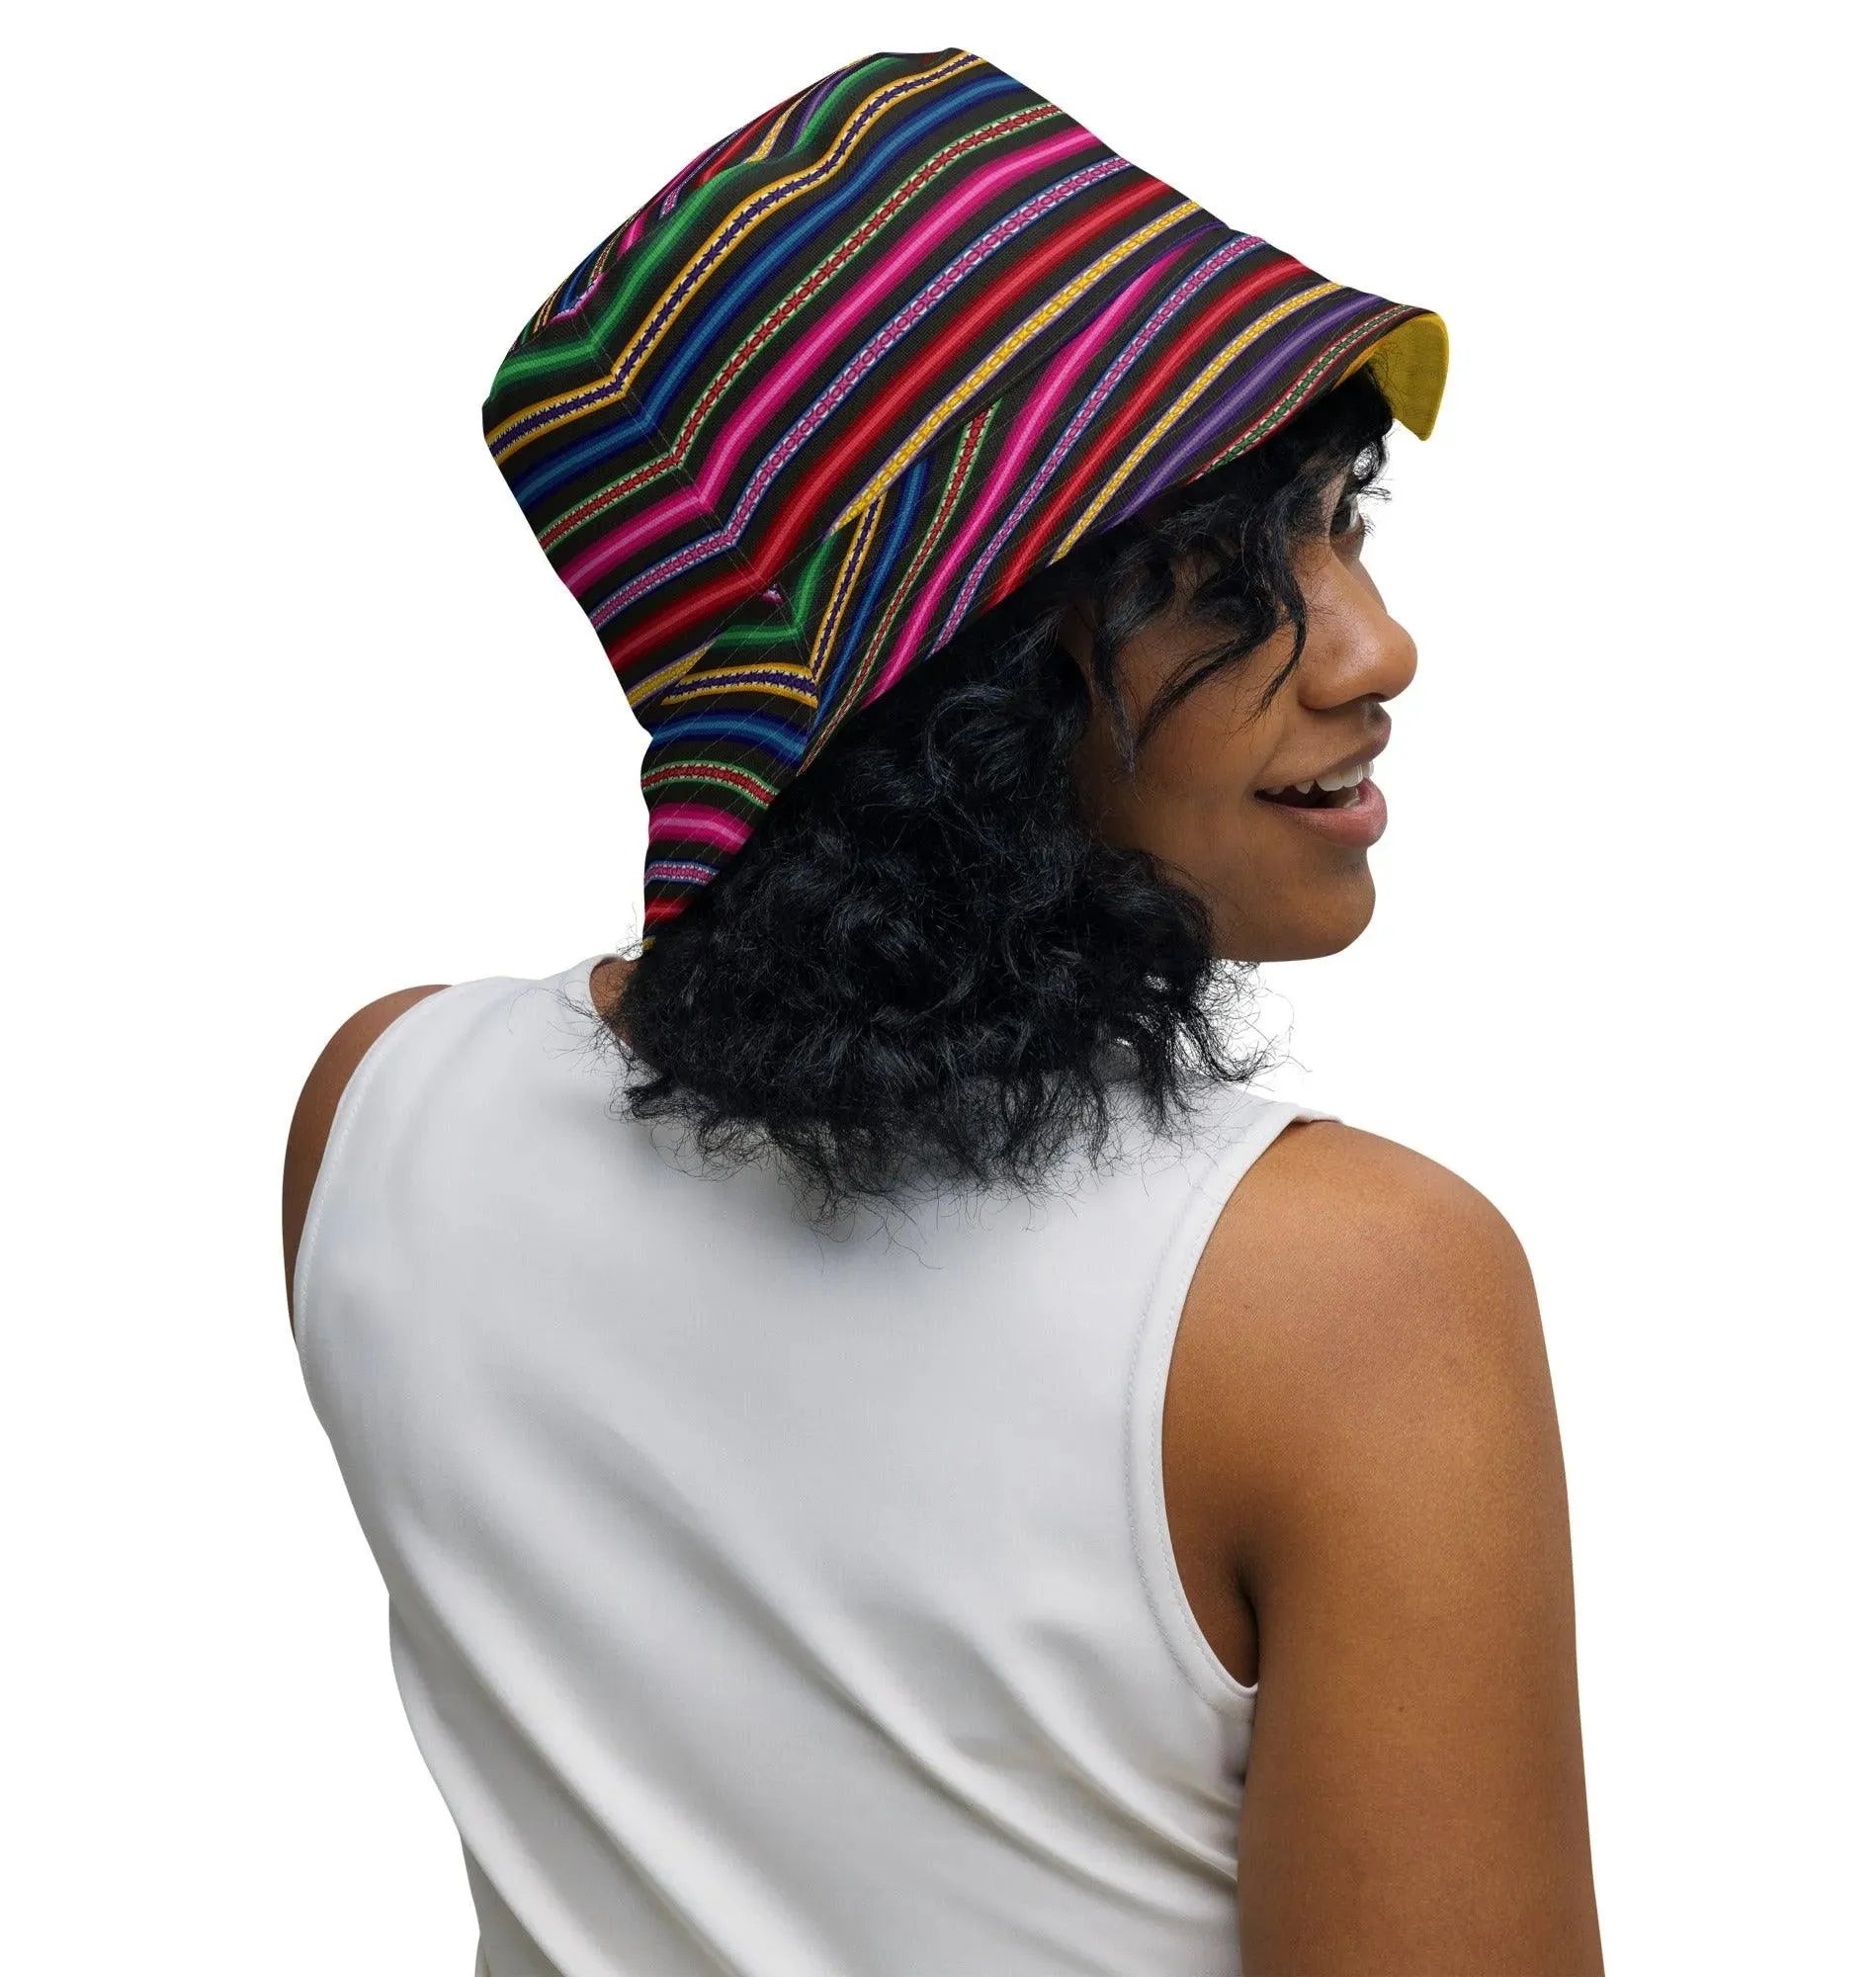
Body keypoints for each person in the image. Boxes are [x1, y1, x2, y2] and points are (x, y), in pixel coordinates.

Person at [283, 45, 1603, 1977]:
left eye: (1348, 522)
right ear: (953, 691)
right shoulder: (1350, 1295)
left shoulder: (383, 1117)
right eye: (1216, 576)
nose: (1375, 647)